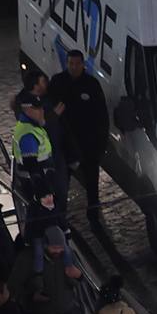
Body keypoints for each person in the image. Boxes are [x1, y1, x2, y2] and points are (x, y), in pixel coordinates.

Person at [47, 47, 109, 221]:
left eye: (77, 64)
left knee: (92, 184)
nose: (74, 67)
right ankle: (59, 217)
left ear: (83, 65)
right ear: (66, 64)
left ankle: (94, 215)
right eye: (71, 63)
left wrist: (101, 145)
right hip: (64, 144)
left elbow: (102, 116)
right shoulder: (58, 82)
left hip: (88, 144)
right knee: (61, 183)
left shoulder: (92, 84)